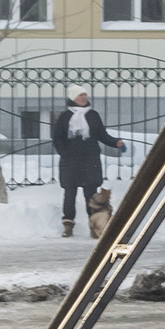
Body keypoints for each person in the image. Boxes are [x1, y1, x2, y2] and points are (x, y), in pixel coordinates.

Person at [51, 88, 126, 239]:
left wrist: (115, 142)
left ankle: (95, 227)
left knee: (91, 194)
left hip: (90, 158)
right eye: (80, 95)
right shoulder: (65, 116)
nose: (84, 97)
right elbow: (57, 137)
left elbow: (101, 134)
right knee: (70, 193)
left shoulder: (93, 115)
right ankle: (68, 225)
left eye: (85, 95)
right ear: (73, 98)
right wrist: (64, 153)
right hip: (70, 159)